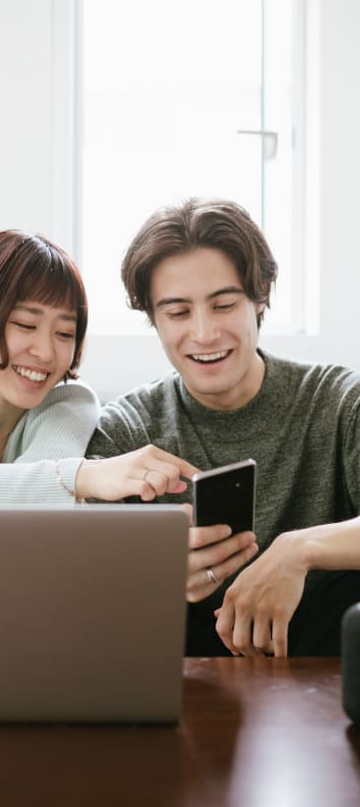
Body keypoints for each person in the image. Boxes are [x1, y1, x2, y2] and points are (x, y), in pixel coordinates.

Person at [85, 197, 360, 658]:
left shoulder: (337, 402)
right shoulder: (126, 432)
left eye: (224, 304)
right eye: (177, 313)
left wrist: (300, 549)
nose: (204, 333)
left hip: (330, 672)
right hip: (181, 683)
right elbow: (75, 573)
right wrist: (150, 574)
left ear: (260, 298)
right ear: (153, 320)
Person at [0, 230, 195, 507]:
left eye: (64, 333)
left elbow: (34, 512)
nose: (45, 352)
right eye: (26, 325)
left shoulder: (69, 402)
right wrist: (81, 476)